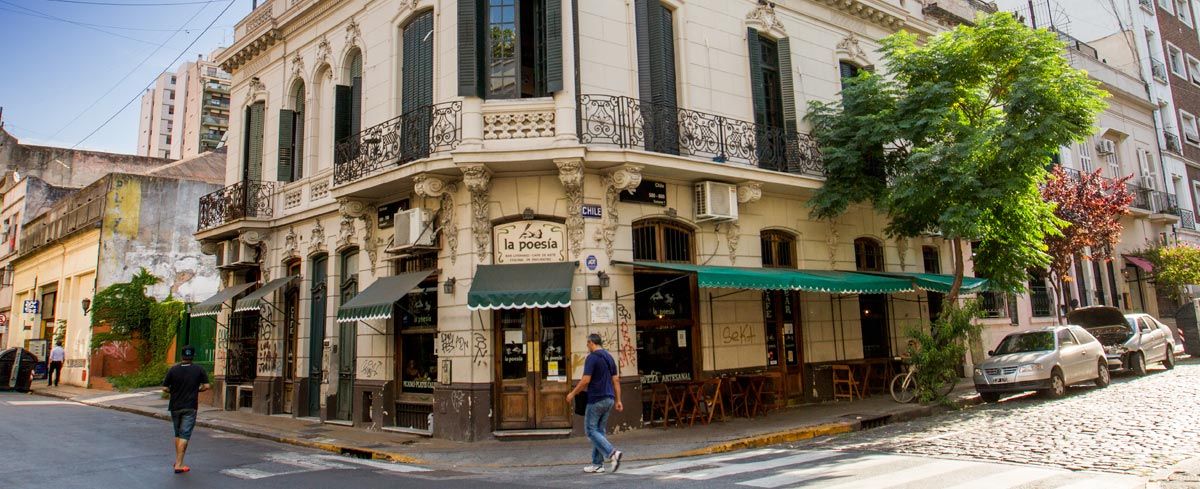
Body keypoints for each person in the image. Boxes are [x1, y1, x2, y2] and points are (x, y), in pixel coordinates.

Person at [566, 333, 623, 474]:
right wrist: (619, 400)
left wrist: (573, 393)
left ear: (591, 343)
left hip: (596, 399)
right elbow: (616, 380)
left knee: (590, 431)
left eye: (587, 344)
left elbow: (586, 380)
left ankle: (612, 453)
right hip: (609, 399)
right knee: (599, 431)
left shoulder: (592, 358)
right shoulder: (609, 357)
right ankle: (597, 464)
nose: (587, 346)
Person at [162, 345, 210, 474]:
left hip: (175, 406)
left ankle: (178, 460)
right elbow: (206, 386)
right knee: (185, 435)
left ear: (181, 356)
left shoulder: (173, 370)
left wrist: (174, 391)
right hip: (190, 406)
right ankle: (179, 464)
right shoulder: (199, 370)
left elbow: (165, 388)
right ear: (193, 356)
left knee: (177, 433)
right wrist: (197, 389)